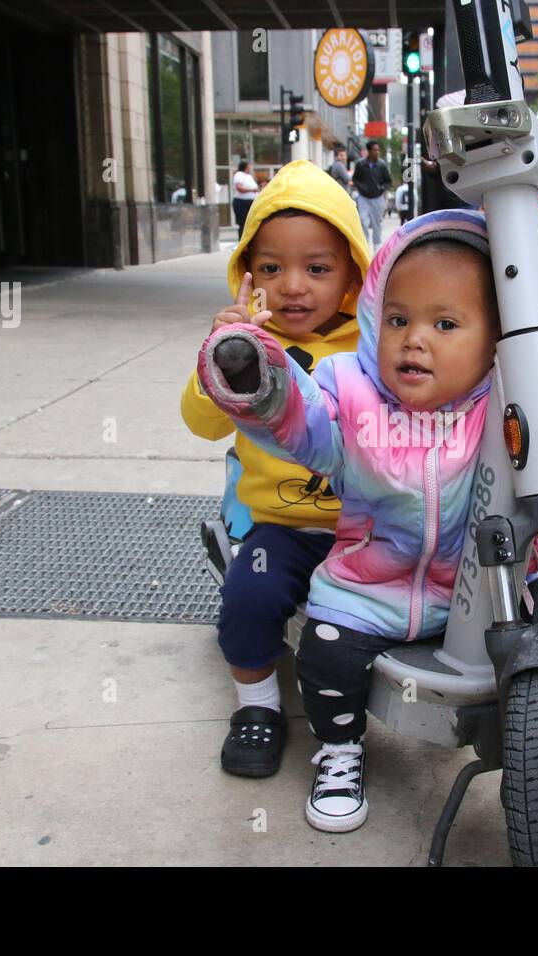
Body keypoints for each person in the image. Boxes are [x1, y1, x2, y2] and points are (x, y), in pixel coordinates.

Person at [195, 209, 538, 832]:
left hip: (498, 583)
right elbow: (299, 420)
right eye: (399, 319)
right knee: (326, 653)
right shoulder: (349, 392)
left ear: (495, 339)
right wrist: (253, 370)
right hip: (374, 583)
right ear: (376, 317)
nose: (414, 339)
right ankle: (341, 751)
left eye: (446, 323)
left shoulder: (515, 399)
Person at [180, 159, 371, 779]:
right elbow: (202, 423)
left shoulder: (370, 346)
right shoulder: (245, 349)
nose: (293, 285)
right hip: (283, 527)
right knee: (249, 598)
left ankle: (350, 717)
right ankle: (258, 706)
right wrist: (218, 356)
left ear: (351, 277)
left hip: (369, 524)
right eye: (271, 268)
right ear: (247, 276)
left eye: (317, 268)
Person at [351, 140, 392, 249]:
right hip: (363, 198)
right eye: (374, 150)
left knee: (376, 223)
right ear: (369, 151)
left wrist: (382, 188)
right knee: (363, 221)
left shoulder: (382, 165)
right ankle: (365, 244)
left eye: (377, 150)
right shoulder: (360, 164)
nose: (377, 152)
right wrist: (360, 187)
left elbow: (388, 181)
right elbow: (355, 179)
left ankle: (376, 246)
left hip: (378, 198)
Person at [231, 160, 259, 239]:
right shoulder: (239, 175)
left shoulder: (249, 176)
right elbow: (239, 188)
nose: (249, 167)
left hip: (251, 202)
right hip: (241, 202)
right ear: (245, 166)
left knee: (251, 223)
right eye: (248, 166)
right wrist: (251, 190)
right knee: (243, 223)